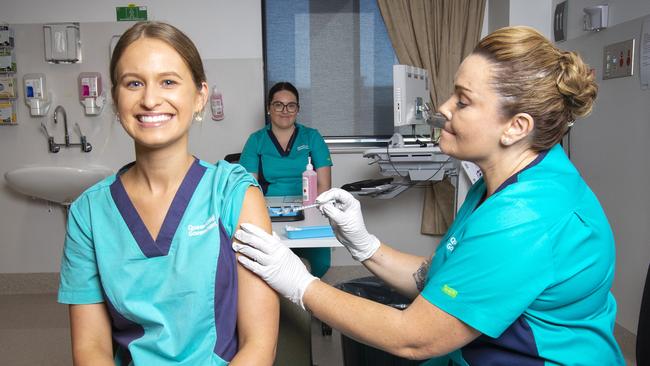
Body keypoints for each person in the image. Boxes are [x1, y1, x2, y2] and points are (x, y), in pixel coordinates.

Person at [232, 26, 625, 365]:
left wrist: (300, 284)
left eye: (463, 100)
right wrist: (365, 244)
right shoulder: (505, 181)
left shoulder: (526, 217)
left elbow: (414, 336)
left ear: (515, 127)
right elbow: (440, 279)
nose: (443, 108)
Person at [57, 21, 278, 366]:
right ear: (116, 98)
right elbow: (90, 349)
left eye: (169, 82)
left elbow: (259, 345)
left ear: (200, 96)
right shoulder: (89, 213)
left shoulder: (233, 194)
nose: (149, 99)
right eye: (133, 83)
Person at [239, 81, 333, 277]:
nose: (285, 110)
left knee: (321, 264)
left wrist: (314, 215)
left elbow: (324, 185)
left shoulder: (312, 137)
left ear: (297, 109)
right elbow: (249, 188)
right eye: (278, 104)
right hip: (268, 211)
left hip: (308, 209)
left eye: (291, 105)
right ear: (268, 108)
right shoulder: (256, 140)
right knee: (266, 264)